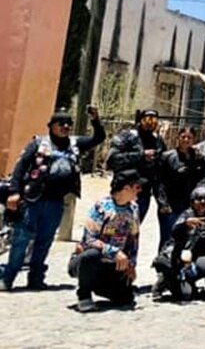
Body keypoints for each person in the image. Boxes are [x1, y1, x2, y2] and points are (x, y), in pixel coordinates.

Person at [3, 105, 106, 291]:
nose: (65, 126)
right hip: (33, 199)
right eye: (61, 123)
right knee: (21, 239)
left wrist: (95, 119)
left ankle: (36, 278)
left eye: (68, 123)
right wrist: (14, 192)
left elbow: (98, 138)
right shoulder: (38, 143)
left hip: (56, 202)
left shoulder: (75, 143)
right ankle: (8, 277)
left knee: (45, 240)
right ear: (51, 126)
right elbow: (20, 168)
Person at [71, 169, 143, 312]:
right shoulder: (101, 207)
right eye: (137, 187)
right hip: (90, 260)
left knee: (126, 299)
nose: (140, 191)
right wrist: (115, 252)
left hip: (114, 264)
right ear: (126, 188)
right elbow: (89, 240)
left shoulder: (134, 208)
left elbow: (133, 239)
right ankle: (84, 295)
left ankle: (101, 287)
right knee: (91, 255)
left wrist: (131, 265)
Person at [105, 108, 169, 230]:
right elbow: (113, 160)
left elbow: (161, 171)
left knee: (133, 230)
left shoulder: (158, 141)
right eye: (147, 120)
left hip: (143, 194)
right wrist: (140, 155)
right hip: (124, 190)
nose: (151, 123)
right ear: (141, 121)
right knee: (115, 228)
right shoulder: (127, 136)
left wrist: (162, 200)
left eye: (154, 120)